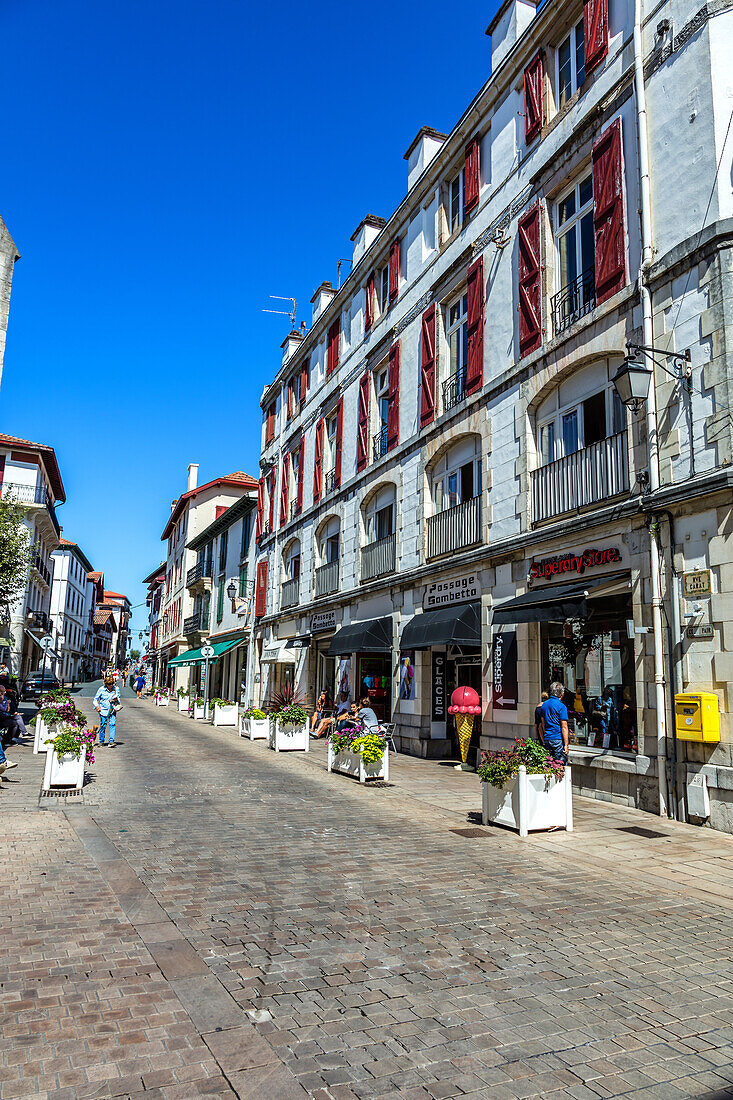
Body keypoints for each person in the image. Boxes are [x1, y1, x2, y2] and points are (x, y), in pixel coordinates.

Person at [539, 681, 569, 763]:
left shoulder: (544, 705)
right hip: (557, 738)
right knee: (559, 764)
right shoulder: (562, 706)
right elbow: (564, 727)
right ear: (562, 694)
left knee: (549, 764)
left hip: (547, 737)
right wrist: (566, 745)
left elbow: (543, 724)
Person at [94, 676, 121, 747]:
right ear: (106, 684)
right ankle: (101, 741)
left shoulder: (116, 689)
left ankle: (111, 741)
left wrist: (116, 699)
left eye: (111, 684)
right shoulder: (101, 689)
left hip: (112, 710)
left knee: (112, 724)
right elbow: (95, 699)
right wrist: (97, 706)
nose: (110, 686)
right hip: (103, 710)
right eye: (109, 684)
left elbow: (119, 700)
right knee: (103, 725)